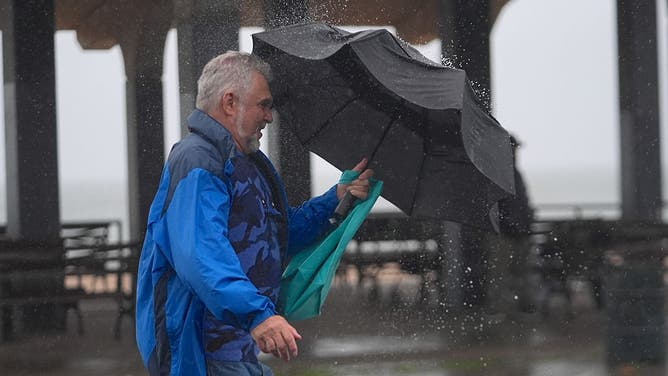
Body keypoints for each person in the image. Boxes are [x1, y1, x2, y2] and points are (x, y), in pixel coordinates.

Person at [135, 51, 373, 376]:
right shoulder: (197, 160)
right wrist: (258, 315)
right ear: (230, 102)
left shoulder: (248, 163)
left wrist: (336, 198)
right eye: (263, 104)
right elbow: (201, 253)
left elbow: (273, 238)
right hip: (198, 356)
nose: (269, 117)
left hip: (239, 351)